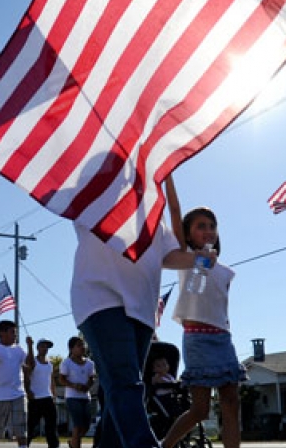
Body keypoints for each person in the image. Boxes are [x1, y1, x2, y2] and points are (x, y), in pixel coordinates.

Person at [69, 177, 206, 448]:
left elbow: (171, 256)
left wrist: (202, 259)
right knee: (125, 382)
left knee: (118, 392)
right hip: (100, 299)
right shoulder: (91, 190)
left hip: (142, 310)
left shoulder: (152, 210)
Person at [159, 176, 245, 448]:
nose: (208, 230)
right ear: (187, 233)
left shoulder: (226, 271)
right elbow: (174, 211)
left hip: (223, 339)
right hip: (197, 339)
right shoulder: (187, 258)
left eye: (212, 226)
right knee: (201, 409)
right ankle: (165, 445)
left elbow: (221, 308)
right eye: (200, 226)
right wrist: (169, 176)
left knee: (232, 403)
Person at [57, 337, 95, 448]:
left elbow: (92, 378)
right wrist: (74, 385)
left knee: (86, 426)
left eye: (83, 345)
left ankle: (73, 442)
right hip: (72, 397)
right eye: (79, 345)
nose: (83, 347)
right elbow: (62, 379)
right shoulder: (66, 363)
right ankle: (76, 445)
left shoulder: (89, 363)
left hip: (85, 397)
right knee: (78, 425)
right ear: (71, 348)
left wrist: (87, 386)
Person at [24, 338, 59, 448]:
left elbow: (51, 380)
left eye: (46, 347)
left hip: (48, 398)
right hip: (35, 399)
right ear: (38, 348)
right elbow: (26, 377)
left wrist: (54, 394)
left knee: (51, 428)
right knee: (31, 427)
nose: (45, 348)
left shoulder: (50, 364)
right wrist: (28, 391)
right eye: (43, 346)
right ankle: (24, 445)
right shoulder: (33, 361)